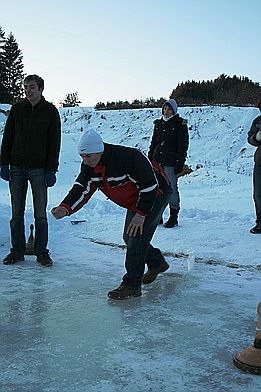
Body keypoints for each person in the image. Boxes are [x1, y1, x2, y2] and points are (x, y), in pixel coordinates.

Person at [51, 128, 172, 300]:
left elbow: (149, 186)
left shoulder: (128, 158)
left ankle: (131, 285)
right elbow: (81, 188)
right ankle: (156, 262)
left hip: (156, 193)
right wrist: (66, 207)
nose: (85, 161)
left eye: (88, 156)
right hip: (137, 197)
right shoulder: (90, 166)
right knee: (129, 237)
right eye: (82, 157)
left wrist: (140, 214)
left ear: (99, 152)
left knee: (136, 237)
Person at [0, 74, 61, 266]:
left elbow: (54, 142)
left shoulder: (50, 111)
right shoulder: (17, 109)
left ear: (41, 89)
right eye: (25, 87)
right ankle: (17, 251)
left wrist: (52, 169)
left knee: (40, 214)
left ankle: (42, 252)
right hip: (17, 167)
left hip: (39, 169)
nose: (28, 90)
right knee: (16, 213)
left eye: (32, 87)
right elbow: (7, 137)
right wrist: (3, 164)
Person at [148, 99, 189, 228]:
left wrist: (180, 163)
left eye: (169, 109)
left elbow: (183, 146)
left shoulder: (180, 125)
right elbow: (154, 142)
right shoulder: (158, 123)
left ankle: (173, 216)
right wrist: (150, 158)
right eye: (165, 108)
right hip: (157, 161)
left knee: (171, 190)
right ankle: (157, 215)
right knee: (157, 188)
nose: (166, 111)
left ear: (174, 110)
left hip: (171, 163)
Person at [247, 98, 261, 234]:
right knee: (258, 194)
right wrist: (256, 137)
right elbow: (250, 138)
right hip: (260, 162)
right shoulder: (257, 121)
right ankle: (260, 223)